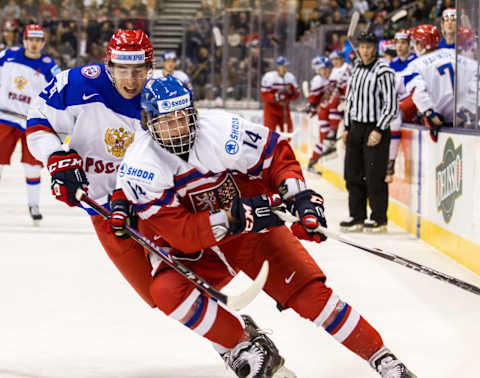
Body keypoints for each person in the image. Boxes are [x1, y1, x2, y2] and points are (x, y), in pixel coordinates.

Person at [115, 75, 416, 378]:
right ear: (147, 121)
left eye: (183, 117)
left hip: (254, 234)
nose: (178, 128)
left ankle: (384, 360)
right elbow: (181, 233)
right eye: (167, 121)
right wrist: (232, 218)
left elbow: (275, 156)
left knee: (311, 296)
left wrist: (298, 197)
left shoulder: (221, 129)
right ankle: (243, 345)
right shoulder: (140, 165)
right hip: (201, 250)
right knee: (167, 291)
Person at [26, 29, 158, 308]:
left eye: (139, 70)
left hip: (153, 201)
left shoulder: (163, 99)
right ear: (109, 66)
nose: (131, 80)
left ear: (150, 67)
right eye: (122, 70)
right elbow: (39, 119)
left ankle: (236, 342)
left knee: (184, 281)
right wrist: (55, 158)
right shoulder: (76, 84)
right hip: (101, 207)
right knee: (155, 294)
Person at [0, 24, 60, 223]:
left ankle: (33, 205)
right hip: (4, 117)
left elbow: (58, 94)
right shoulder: (7, 56)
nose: (34, 44)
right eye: (30, 39)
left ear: (43, 42)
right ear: (24, 40)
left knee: (32, 166)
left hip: (30, 121)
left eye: (38, 40)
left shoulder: (50, 66)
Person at [340, 32, 398, 232]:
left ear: (375, 48)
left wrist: (379, 129)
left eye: (369, 47)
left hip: (375, 128)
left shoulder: (384, 71)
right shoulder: (356, 69)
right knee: (352, 173)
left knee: (374, 175)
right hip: (356, 127)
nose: (365, 51)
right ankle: (356, 216)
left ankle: (379, 218)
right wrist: (347, 127)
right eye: (362, 47)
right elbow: (350, 100)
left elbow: (391, 104)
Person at [386, 30, 417, 183]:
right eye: (397, 42)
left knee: (394, 118)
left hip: (412, 102)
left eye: (403, 42)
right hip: (398, 102)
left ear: (409, 44)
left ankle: (390, 163)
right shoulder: (392, 64)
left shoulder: (415, 61)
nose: (399, 46)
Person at [305, 55, 334, 172]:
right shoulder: (318, 80)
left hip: (327, 112)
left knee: (322, 140)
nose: (326, 71)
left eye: (327, 68)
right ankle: (312, 162)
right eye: (323, 69)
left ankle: (312, 162)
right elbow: (314, 99)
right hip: (323, 114)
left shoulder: (331, 78)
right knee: (323, 141)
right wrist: (311, 106)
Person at [261, 56, 299, 136]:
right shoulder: (269, 77)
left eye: (286, 66)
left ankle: (284, 148)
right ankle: (270, 149)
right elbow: (264, 95)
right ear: (278, 67)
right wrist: (275, 97)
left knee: (288, 133)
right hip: (271, 109)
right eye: (283, 66)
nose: (285, 68)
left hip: (284, 108)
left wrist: (292, 93)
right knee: (269, 133)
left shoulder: (290, 77)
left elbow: (296, 94)